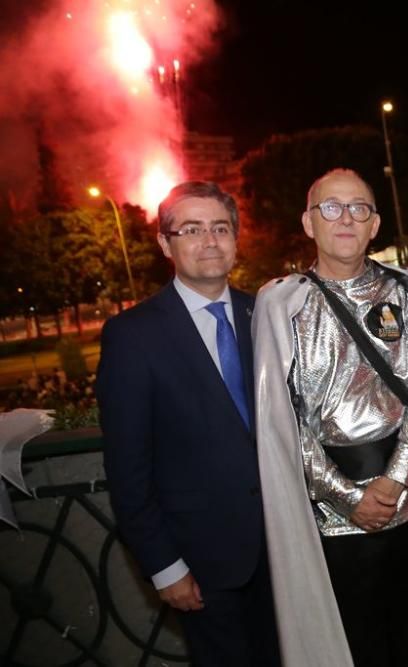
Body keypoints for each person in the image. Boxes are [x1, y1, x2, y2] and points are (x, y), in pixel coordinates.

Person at [252, 168, 408, 667]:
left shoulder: (405, 290)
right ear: (308, 222)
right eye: (331, 207)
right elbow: (283, 424)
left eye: (358, 208)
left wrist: (394, 480)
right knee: (367, 647)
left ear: (375, 224)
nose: (345, 218)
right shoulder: (281, 304)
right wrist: (349, 498)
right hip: (338, 519)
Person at [97, 181, 279, 666]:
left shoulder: (266, 315)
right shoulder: (132, 337)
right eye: (191, 229)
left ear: (236, 238)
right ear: (165, 244)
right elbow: (128, 469)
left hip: (285, 551)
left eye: (220, 228)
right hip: (202, 562)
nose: (209, 241)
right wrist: (163, 567)